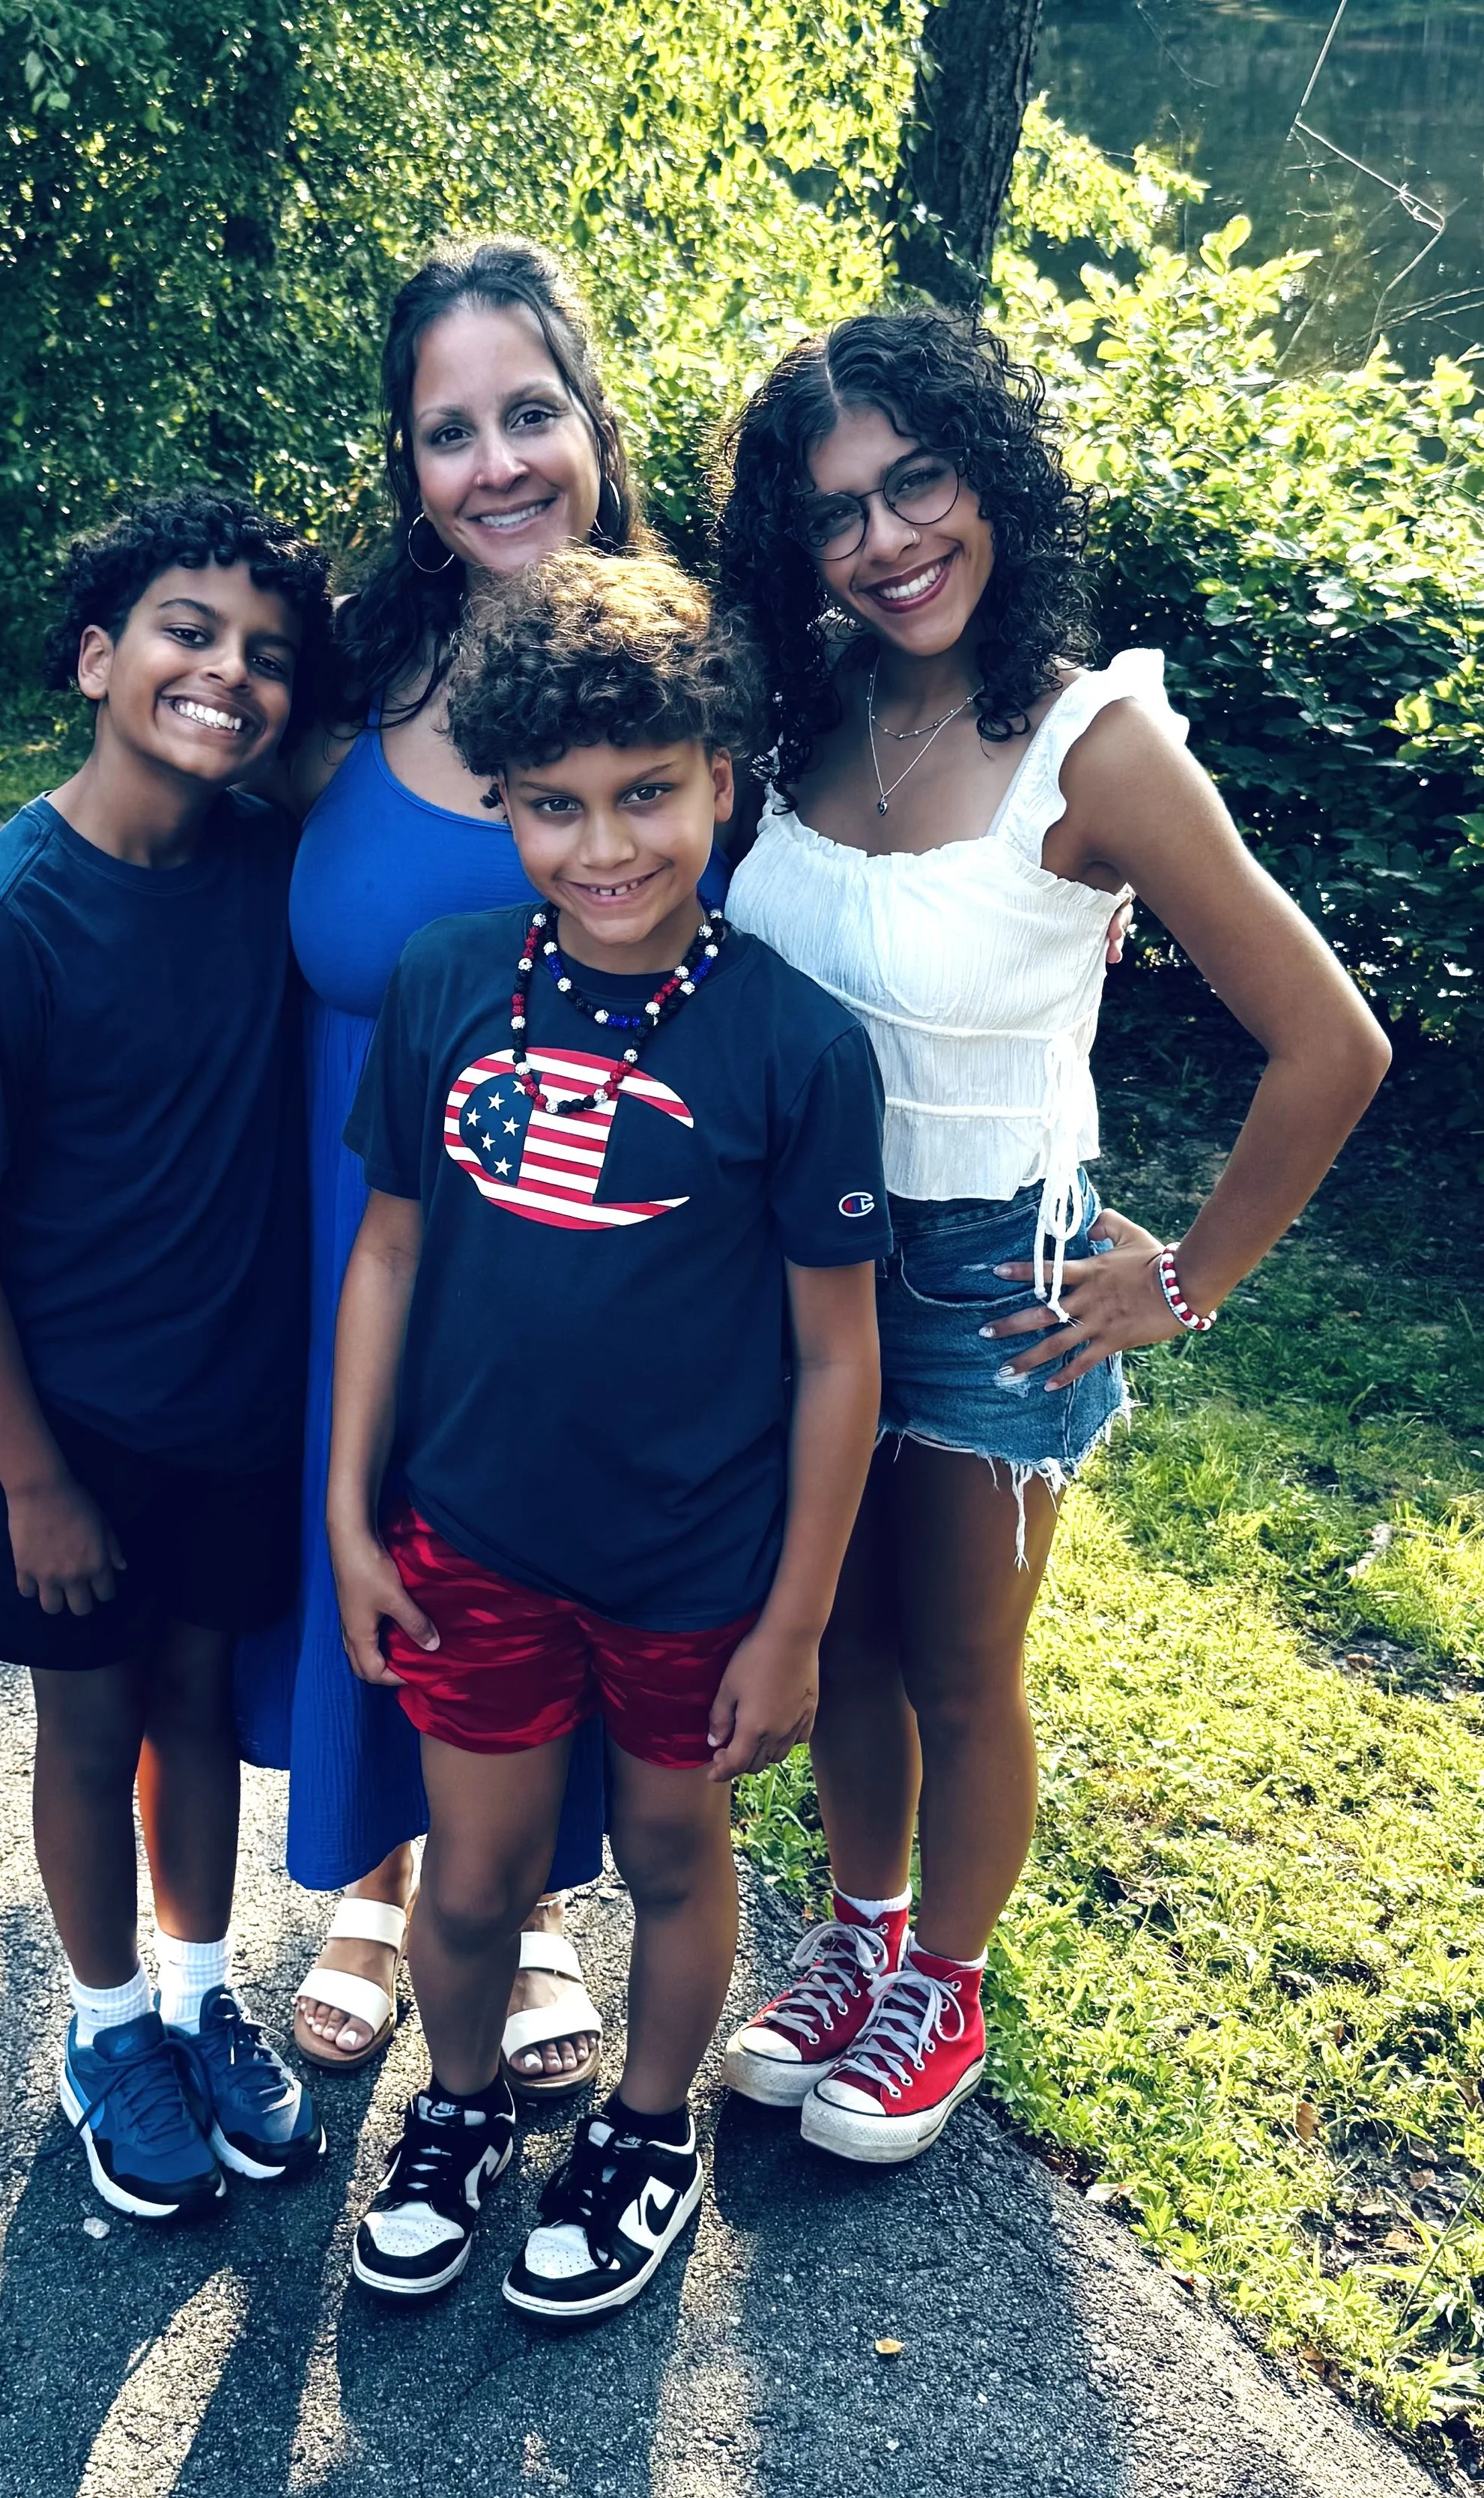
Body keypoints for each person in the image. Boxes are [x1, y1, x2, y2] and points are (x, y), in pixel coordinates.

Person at [0, 239, 680, 2096]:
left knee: (537, 1546)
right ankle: (371, 1888)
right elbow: (173, 784)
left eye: (528, 413)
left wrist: (1069, 895)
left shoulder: (686, 654)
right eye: (446, 427)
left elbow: (836, 834)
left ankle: (534, 1900)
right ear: (406, 461)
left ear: (587, 420)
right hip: (340, 1222)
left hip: (591, 1222)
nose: (494, 462)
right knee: (359, 1569)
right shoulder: (365, 672)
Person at [711, 307, 1391, 2165]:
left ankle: (945, 1973)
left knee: (951, 1661)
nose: (884, 538)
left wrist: (1178, 1281)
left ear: (989, 476)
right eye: (835, 509)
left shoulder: (1091, 745)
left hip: (981, 1270)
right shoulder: (789, 708)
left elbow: (1329, 1043)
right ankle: (853, 1938)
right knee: (836, 1641)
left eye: (915, 480)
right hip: (792, 1262)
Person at [330, 549, 890, 2317]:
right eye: (554, 806)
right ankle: (462, 2106)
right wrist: (350, 1514)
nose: (607, 845)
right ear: (500, 804)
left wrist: (791, 1618)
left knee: (667, 1857)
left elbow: (833, 1360)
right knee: (475, 1874)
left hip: (690, 1574)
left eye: (648, 791)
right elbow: (392, 1249)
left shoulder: (795, 1045)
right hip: (467, 1539)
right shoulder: (438, 980)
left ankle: (646, 2127)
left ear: (721, 778)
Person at [0, 492, 329, 2219]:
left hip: (231, 1406)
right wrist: (32, 1481)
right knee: (87, 1731)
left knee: (198, 1707)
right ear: (97, 656)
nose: (224, 670)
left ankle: (194, 1992)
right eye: (185, 629)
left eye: (265, 654)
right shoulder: (0, 921)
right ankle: (99, 2031)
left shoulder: (265, 873)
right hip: (62, 1431)